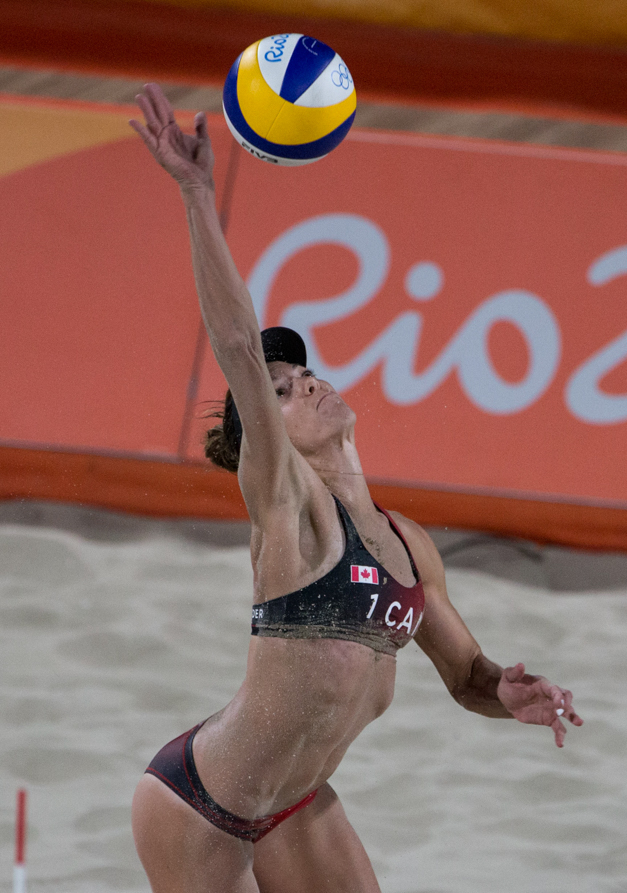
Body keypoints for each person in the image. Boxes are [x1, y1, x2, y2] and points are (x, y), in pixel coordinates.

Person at [127, 83, 581, 892]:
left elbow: (466, 677)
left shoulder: (407, 542)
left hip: (297, 805)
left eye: (305, 372)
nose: (306, 384)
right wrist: (198, 191)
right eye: (284, 389)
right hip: (201, 806)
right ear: (266, 437)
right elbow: (234, 340)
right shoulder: (291, 511)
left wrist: (507, 691)